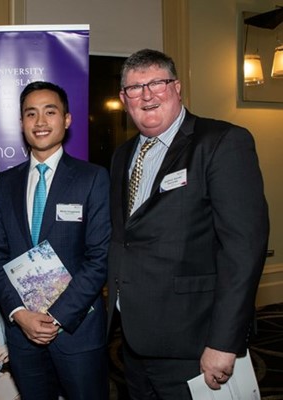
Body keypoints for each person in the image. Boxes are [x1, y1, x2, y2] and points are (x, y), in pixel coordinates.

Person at [107, 49, 269, 399]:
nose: (147, 95)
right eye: (135, 88)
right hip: (133, 342)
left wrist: (224, 342)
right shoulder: (123, 155)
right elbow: (126, 238)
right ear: (123, 99)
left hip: (194, 344)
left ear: (177, 87)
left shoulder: (221, 143)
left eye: (157, 83)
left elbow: (243, 249)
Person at [0, 81, 111, 400]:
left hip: (77, 329)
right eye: (31, 114)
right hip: (22, 334)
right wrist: (19, 314)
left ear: (66, 120)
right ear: (22, 123)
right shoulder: (5, 182)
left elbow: (99, 258)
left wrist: (56, 317)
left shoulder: (92, 178)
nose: (40, 122)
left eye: (49, 112)